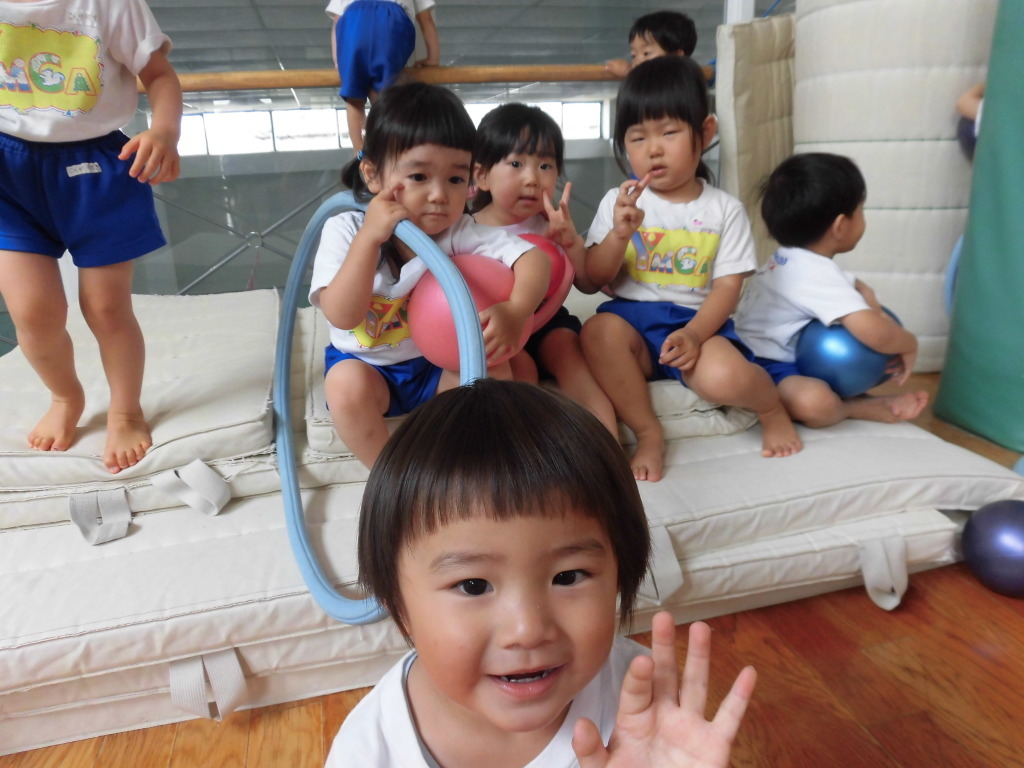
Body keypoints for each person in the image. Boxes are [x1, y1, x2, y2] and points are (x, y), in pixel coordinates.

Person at [326, 378, 757, 767]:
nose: (528, 630)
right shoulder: (370, 750)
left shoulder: (644, 702)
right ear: (397, 605)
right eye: (474, 586)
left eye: (567, 577)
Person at [581, 56, 802, 483]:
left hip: (697, 324)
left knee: (725, 378)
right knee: (597, 333)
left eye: (669, 133)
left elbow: (727, 289)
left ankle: (771, 408)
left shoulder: (724, 209)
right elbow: (592, 279)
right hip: (632, 326)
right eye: (638, 137)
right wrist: (619, 235)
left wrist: (696, 335)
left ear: (705, 133)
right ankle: (649, 434)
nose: (653, 148)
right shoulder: (618, 202)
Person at [309, 81, 549, 468]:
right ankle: (389, 475)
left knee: (495, 372)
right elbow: (342, 315)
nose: (439, 195)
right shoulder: (346, 229)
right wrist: (370, 239)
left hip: (433, 366)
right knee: (343, 388)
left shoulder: (457, 231)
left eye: (455, 179)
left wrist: (517, 310)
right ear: (372, 174)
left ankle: (465, 466)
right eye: (420, 177)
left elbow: (534, 259)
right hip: (368, 368)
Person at [0, 0, 182, 473]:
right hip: (8, 170)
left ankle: (125, 411)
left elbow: (159, 75)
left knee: (105, 307)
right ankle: (65, 396)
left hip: (98, 166)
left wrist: (164, 132)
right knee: (32, 312)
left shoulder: (109, 4)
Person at [733, 153, 929, 428]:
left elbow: (851, 284)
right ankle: (853, 408)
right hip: (768, 367)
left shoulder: (788, 258)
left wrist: (868, 296)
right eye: (860, 210)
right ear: (840, 226)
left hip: (751, 355)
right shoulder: (817, 274)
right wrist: (909, 343)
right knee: (815, 402)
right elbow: (874, 334)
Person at [471, 102, 618, 436]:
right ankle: (529, 448)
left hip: (548, 320)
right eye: (516, 164)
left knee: (570, 355)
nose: (532, 178)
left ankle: (608, 445)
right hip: (497, 327)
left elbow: (586, 283)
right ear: (482, 176)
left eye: (545, 165)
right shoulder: (468, 229)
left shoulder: (552, 225)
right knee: (516, 377)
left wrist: (571, 242)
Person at [327, 0, 440, 153]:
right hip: (391, 20)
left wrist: (339, 61)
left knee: (354, 99)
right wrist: (433, 59)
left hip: (353, 19)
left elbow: (337, 21)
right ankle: (390, 150)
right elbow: (426, 19)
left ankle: (359, 154)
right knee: (386, 98)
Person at [605, 10, 697, 79]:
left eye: (646, 53)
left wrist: (628, 72)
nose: (637, 62)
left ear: (677, 56)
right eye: (634, 55)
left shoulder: (683, 83)